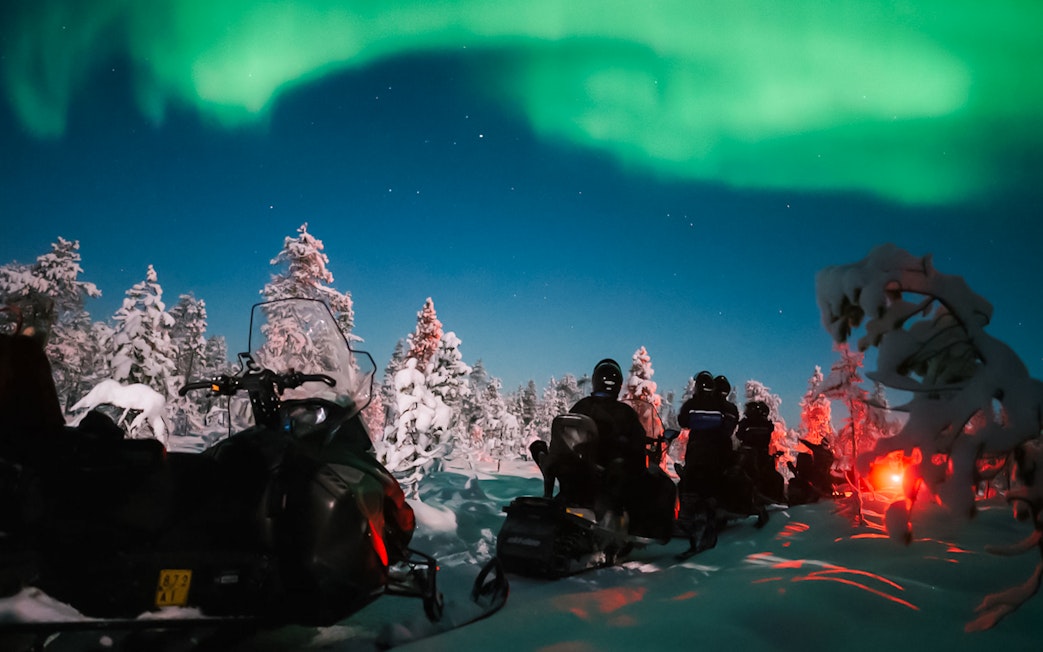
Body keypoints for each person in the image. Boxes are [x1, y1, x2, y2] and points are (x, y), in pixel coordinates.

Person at [567, 359, 650, 528]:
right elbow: (638, 441)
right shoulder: (625, 412)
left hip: (581, 467)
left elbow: (567, 430)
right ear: (619, 385)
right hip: (606, 471)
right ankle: (624, 523)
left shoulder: (582, 406)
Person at [675, 371, 739, 552]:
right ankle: (703, 521)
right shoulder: (723, 406)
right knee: (708, 488)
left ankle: (691, 521)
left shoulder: (692, 404)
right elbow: (729, 427)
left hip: (698, 452)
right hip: (717, 453)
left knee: (691, 483)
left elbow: (682, 421)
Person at [735, 400, 785, 504]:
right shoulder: (767, 425)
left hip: (751, 456)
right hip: (761, 455)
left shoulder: (747, 423)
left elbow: (739, 435)